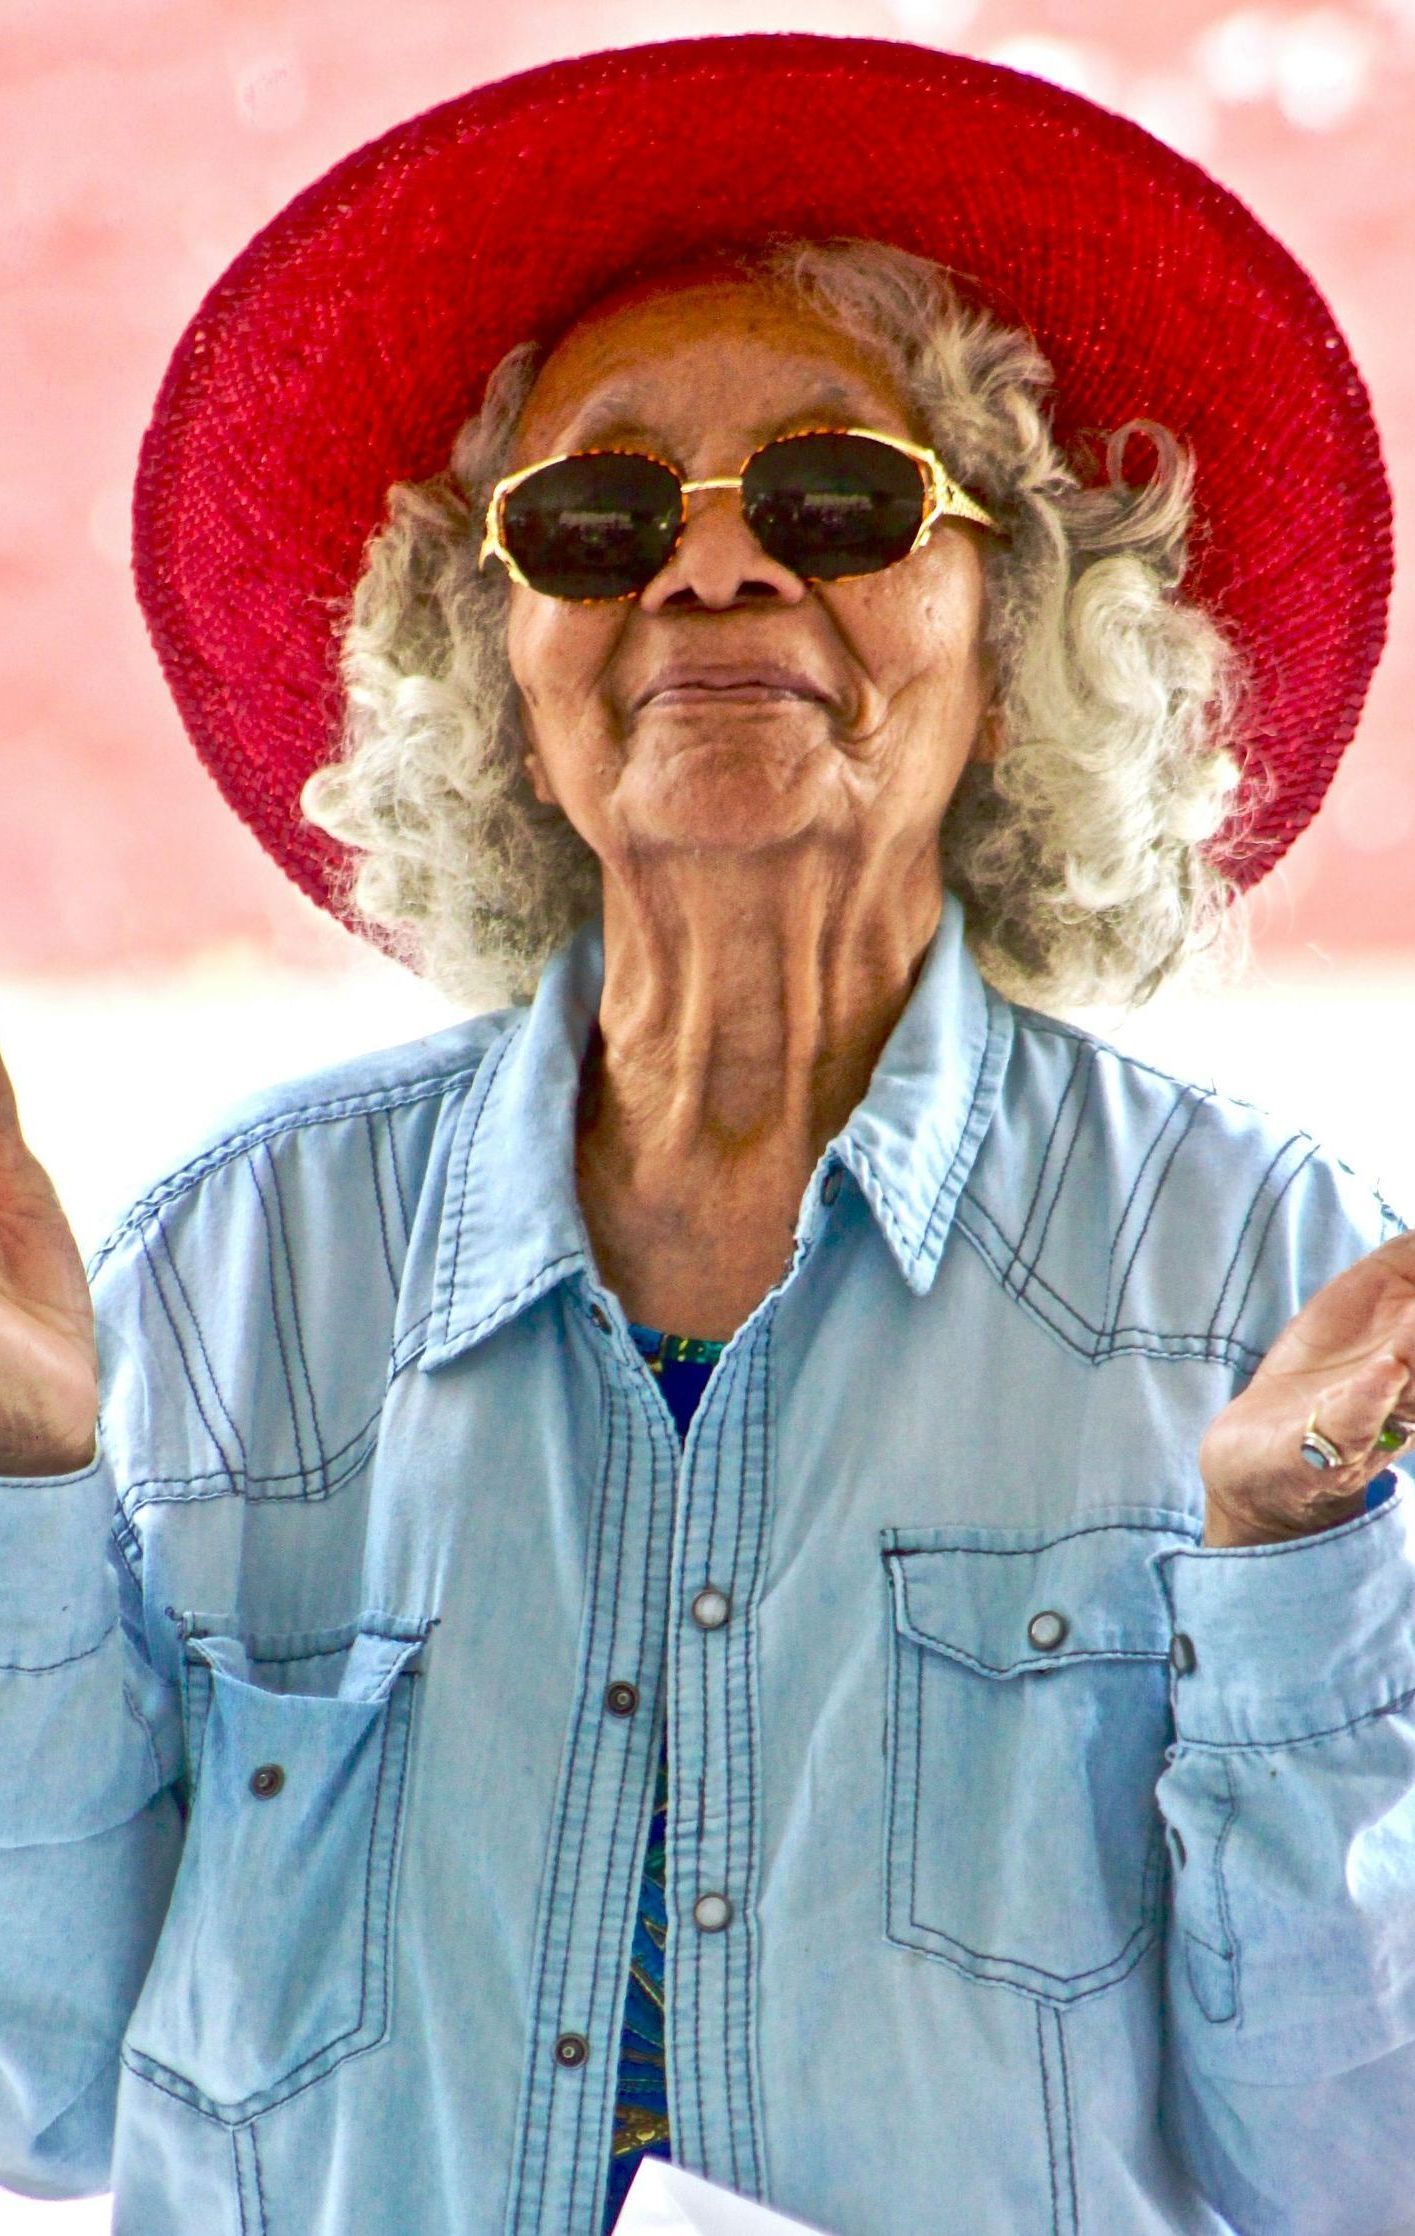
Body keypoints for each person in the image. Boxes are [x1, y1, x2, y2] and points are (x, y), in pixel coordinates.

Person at [1, 32, 1413, 2236]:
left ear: (1014, 608)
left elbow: (1359, 2164)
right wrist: (16, 1497)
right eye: (601, 515)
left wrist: (1301, 1565)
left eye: (837, 499)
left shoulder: (1261, 1277)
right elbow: (41, 2087)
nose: (714, 571)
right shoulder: (230, 1270)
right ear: (496, 644)